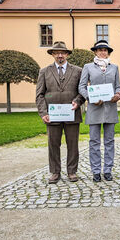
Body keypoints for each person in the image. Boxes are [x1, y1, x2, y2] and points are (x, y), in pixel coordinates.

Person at [36, 41, 86, 184]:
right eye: (56, 53)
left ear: (67, 54)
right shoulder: (44, 71)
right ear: (52, 54)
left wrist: (78, 101)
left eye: (62, 53)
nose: (60, 55)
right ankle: (55, 172)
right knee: (53, 144)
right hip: (52, 115)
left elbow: (82, 91)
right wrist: (43, 112)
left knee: (73, 144)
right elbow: (40, 94)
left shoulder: (78, 71)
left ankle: (72, 171)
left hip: (72, 113)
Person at [78, 40, 120, 182]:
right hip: (94, 108)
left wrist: (118, 95)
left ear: (108, 52)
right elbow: (82, 87)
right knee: (94, 142)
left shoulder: (114, 67)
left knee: (109, 141)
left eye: (105, 50)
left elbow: (118, 87)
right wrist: (89, 98)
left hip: (110, 109)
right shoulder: (88, 67)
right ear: (95, 52)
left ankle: (108, 170)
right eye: (100, 50)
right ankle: (96, 171)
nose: (103, 52)